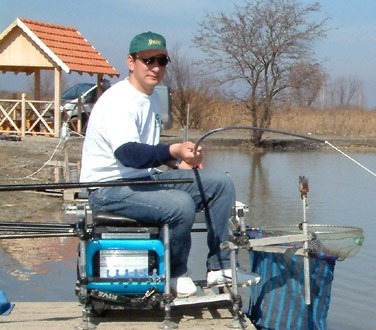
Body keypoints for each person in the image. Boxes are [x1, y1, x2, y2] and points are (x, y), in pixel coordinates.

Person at [80, 31, 258, 297]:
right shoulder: (118, 101)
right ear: (131, 62)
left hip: (142, 180)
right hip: (108, 189)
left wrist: (176, 163)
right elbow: (128, 154)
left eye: (162, 61)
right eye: (148, 60)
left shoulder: (151, 97)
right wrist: (173, 148)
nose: (155, 67)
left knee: (219, 183)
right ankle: (175, 274)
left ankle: (219, 267)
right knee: (180, 204)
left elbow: (148, 153)